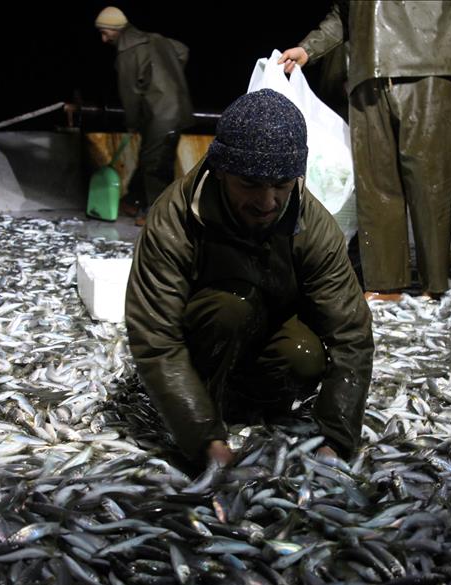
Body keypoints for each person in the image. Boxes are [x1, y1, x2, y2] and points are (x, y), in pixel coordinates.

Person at [125, 89, 374, 467]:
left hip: (264, 337)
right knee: (230, 307)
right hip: (202, 341)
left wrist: (337, 440)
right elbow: (157, 339)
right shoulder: (174, 220)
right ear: (221, 170)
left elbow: (351, 335)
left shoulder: (313, 225)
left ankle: (248, 403)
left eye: (281, 184)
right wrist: (203, 439)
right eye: (250, 183)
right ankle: (204, 408)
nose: (267, 201)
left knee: (304, 357)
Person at [280, 1, 451, 299]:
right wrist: (308, 49)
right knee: (375, 186)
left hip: (427, 67)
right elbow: (343, 15)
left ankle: (435, 286)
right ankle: (385, 284)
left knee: (429, 183)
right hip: (368, 75)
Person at [96, 6, 195, 226]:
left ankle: (157, 213)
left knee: (156, 164)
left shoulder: (127, 53)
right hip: (177, 108)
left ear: (117, 29)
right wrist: (168, 74)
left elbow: (130, 94)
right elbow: (182, 51)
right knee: (153, 155)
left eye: (105, 32)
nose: (103, 39)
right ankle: (132, 200)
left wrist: (131, 123)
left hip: (160, 114)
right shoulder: (155, 39)